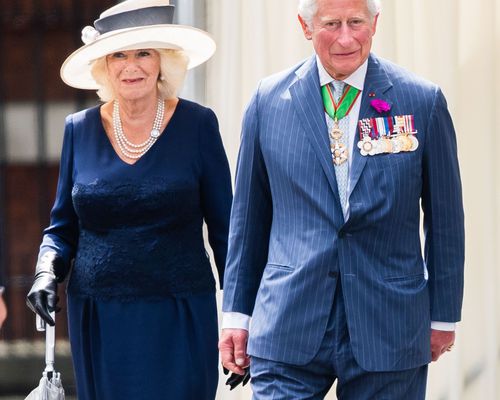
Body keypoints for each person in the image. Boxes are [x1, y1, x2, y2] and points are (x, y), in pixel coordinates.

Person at [219, 0, 464, 398]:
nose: (346, 38)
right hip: (287, 319)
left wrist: (444, 316)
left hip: (390, 323)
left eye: (356, 23)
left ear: (375, 23)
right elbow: (248, 220)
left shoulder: (422, 100)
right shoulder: (267, 102)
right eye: (332, 24)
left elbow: (446, 220)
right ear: (305, 26)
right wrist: (236, 314)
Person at [26, 0, 232, 398]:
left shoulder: (198, 125)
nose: (130, 66)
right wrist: (45, 270)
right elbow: (62, 228)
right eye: (118, 54)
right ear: (104, 65)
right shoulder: (78, 130)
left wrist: (244, 321)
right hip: (100, 318)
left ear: (163, 61)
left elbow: (227, 233)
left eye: (143, 53)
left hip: (180, 314)